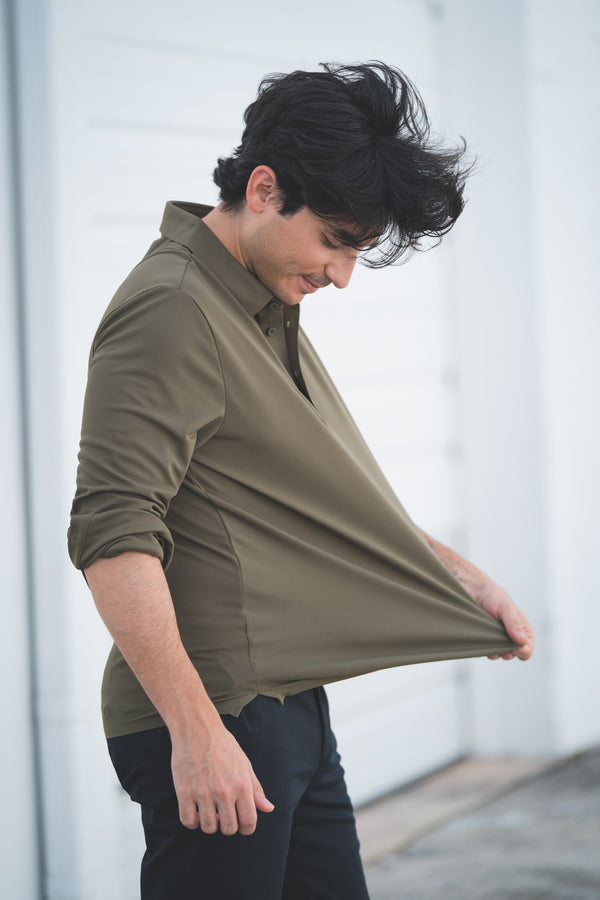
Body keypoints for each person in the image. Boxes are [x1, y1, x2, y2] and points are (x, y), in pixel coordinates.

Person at [68, 62, 534, 900]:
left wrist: (460, 577)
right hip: (216, 718)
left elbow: (317, 490)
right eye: (335, 239)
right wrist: (197, 733)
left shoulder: (261, 295)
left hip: (289, 710)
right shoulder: (173, 309)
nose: (343, 275)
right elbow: (112, 534)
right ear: (264, 186)